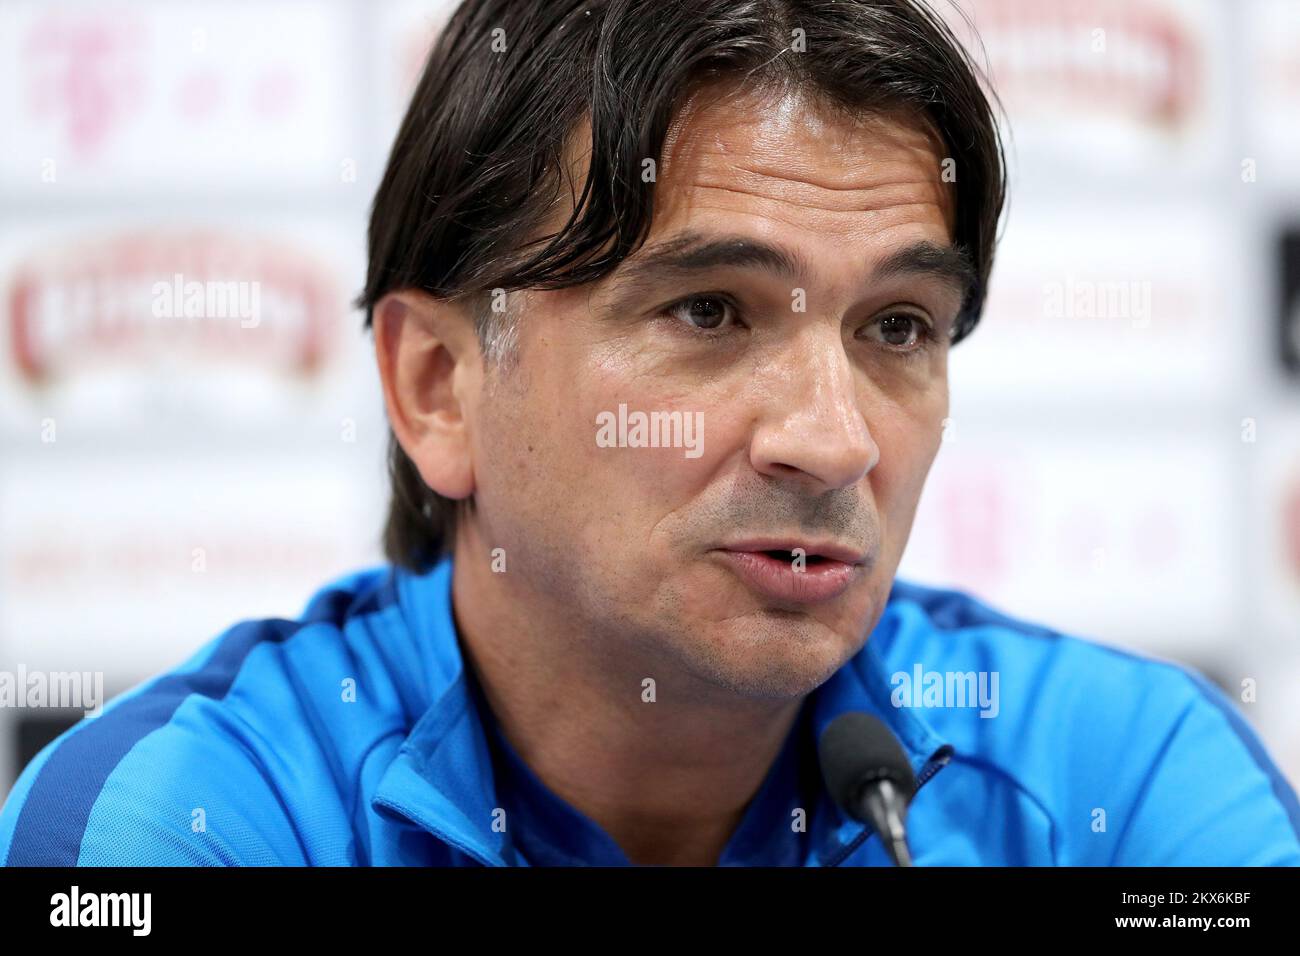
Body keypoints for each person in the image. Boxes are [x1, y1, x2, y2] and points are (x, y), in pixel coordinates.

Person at [3, 0, 1297, 867]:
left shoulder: (1129, 784)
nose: (832, 441)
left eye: (897, 327)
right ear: (439, 388)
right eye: (709, 311)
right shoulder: (187, 814)